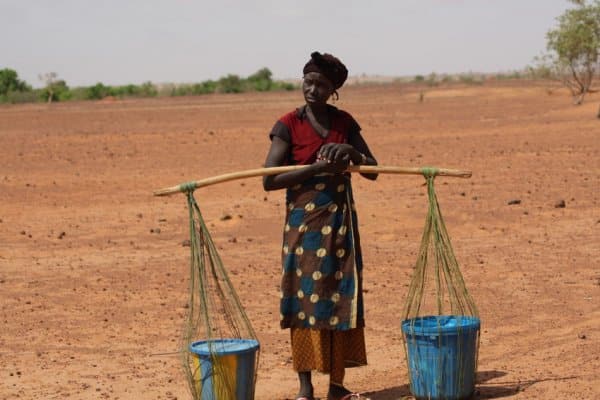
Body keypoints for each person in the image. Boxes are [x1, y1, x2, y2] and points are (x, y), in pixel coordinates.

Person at [263, 51, 377, 400]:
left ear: (333, 91)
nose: (313, 89)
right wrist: (313, 169)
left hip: (341, 224)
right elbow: (269, 179)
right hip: (304, 226)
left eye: (322, 85)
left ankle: (338, 386)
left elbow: (371, 169)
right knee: (303, 300)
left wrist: (351, 154)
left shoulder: (344, 123)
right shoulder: (288, 124)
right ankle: (305, 388)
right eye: (309, 81)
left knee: (341, 297)